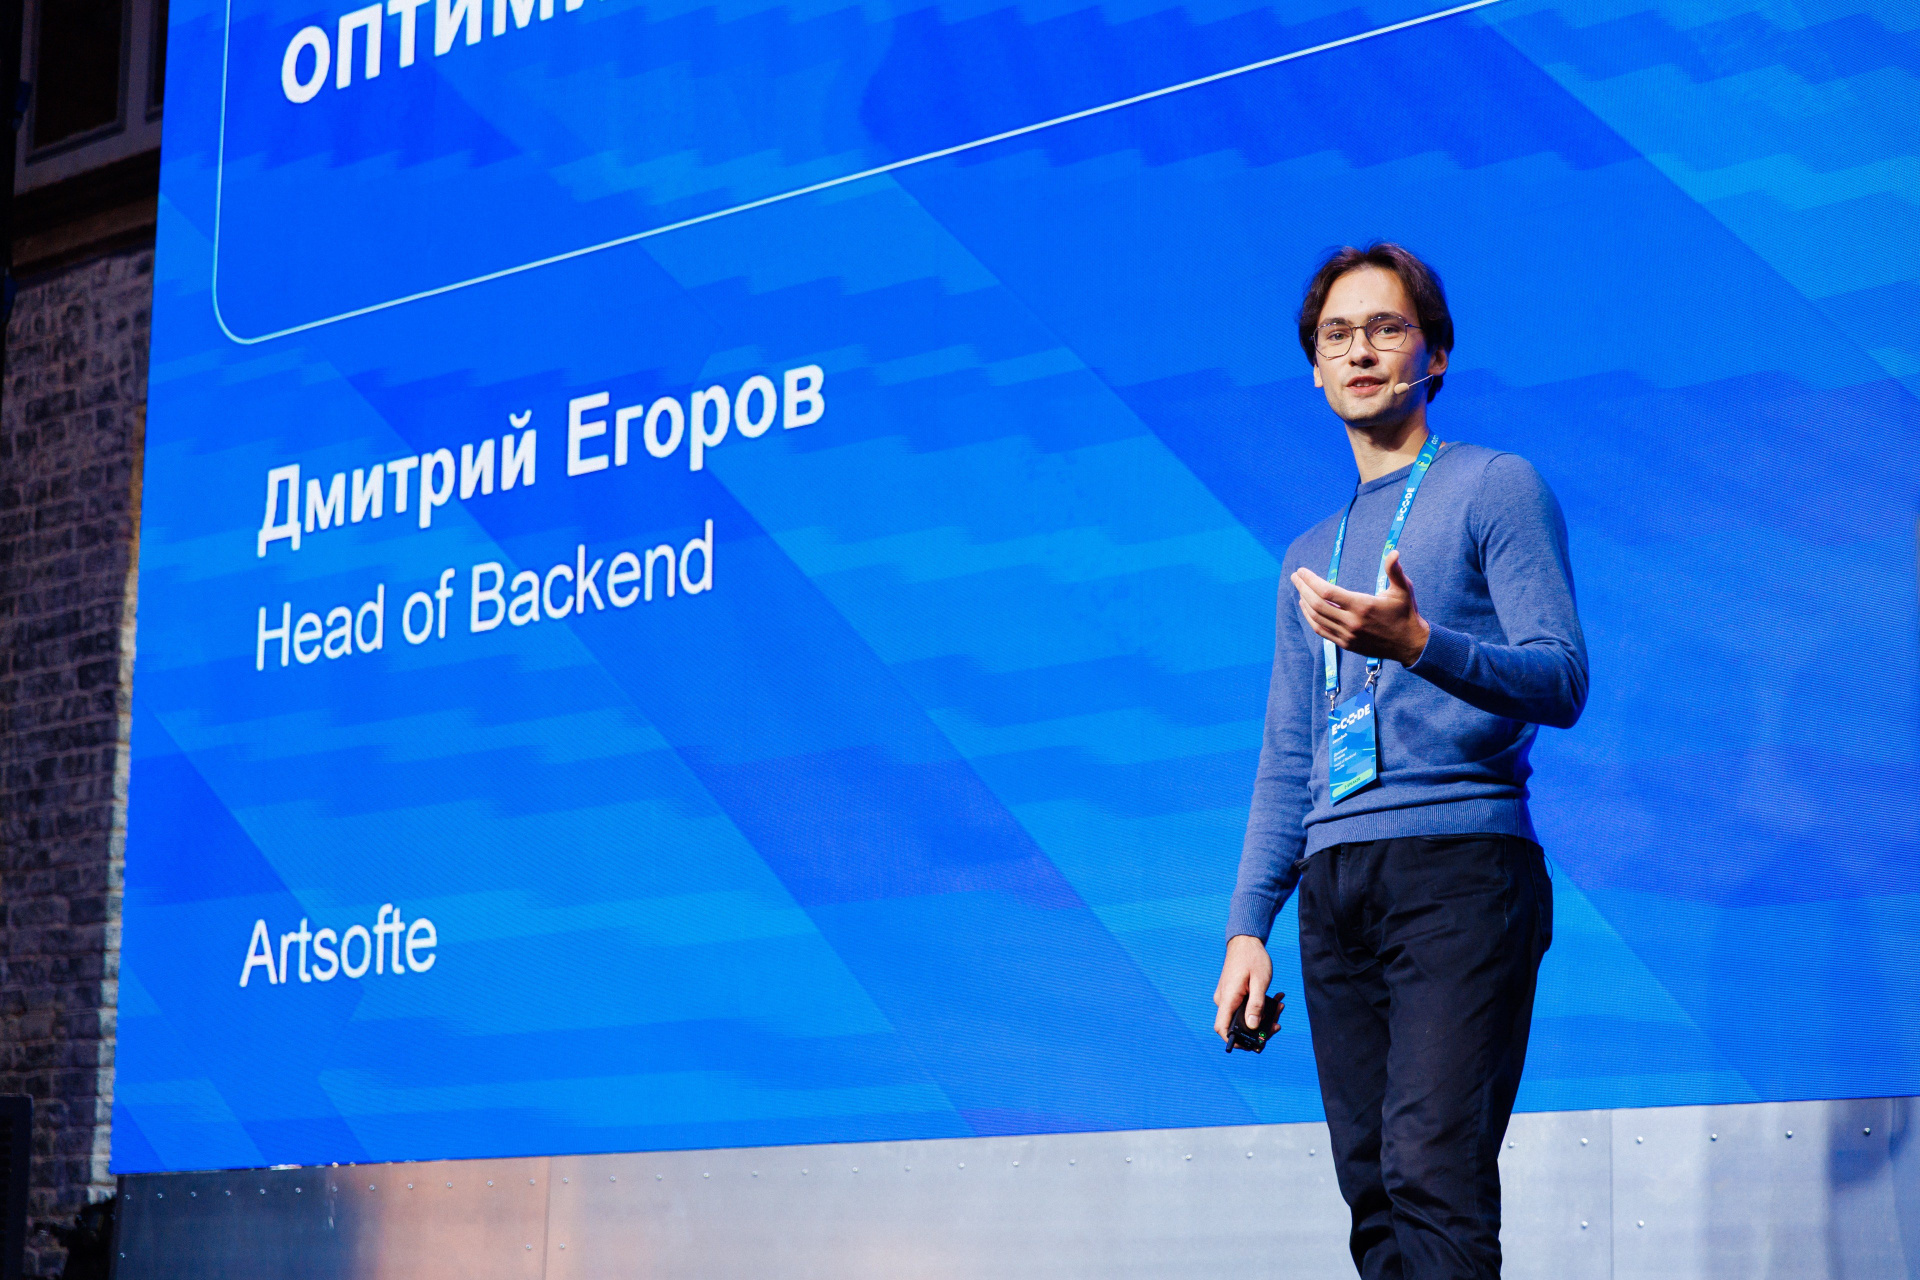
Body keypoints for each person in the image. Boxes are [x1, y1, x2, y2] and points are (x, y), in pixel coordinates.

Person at [1212, 243, 1588, 1279]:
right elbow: (1290, 755)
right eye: (1337, 335)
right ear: (1315, 369)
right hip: (1336, 885)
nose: (1361, 350)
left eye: (1386, 327)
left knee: (1433, 1174)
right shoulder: (1309, 552)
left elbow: (1561, 679)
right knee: (1374, 1194)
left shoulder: (1495, 486)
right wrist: (1248, 924)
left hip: (1459, 868)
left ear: (1437, 354)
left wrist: (1420, 643)